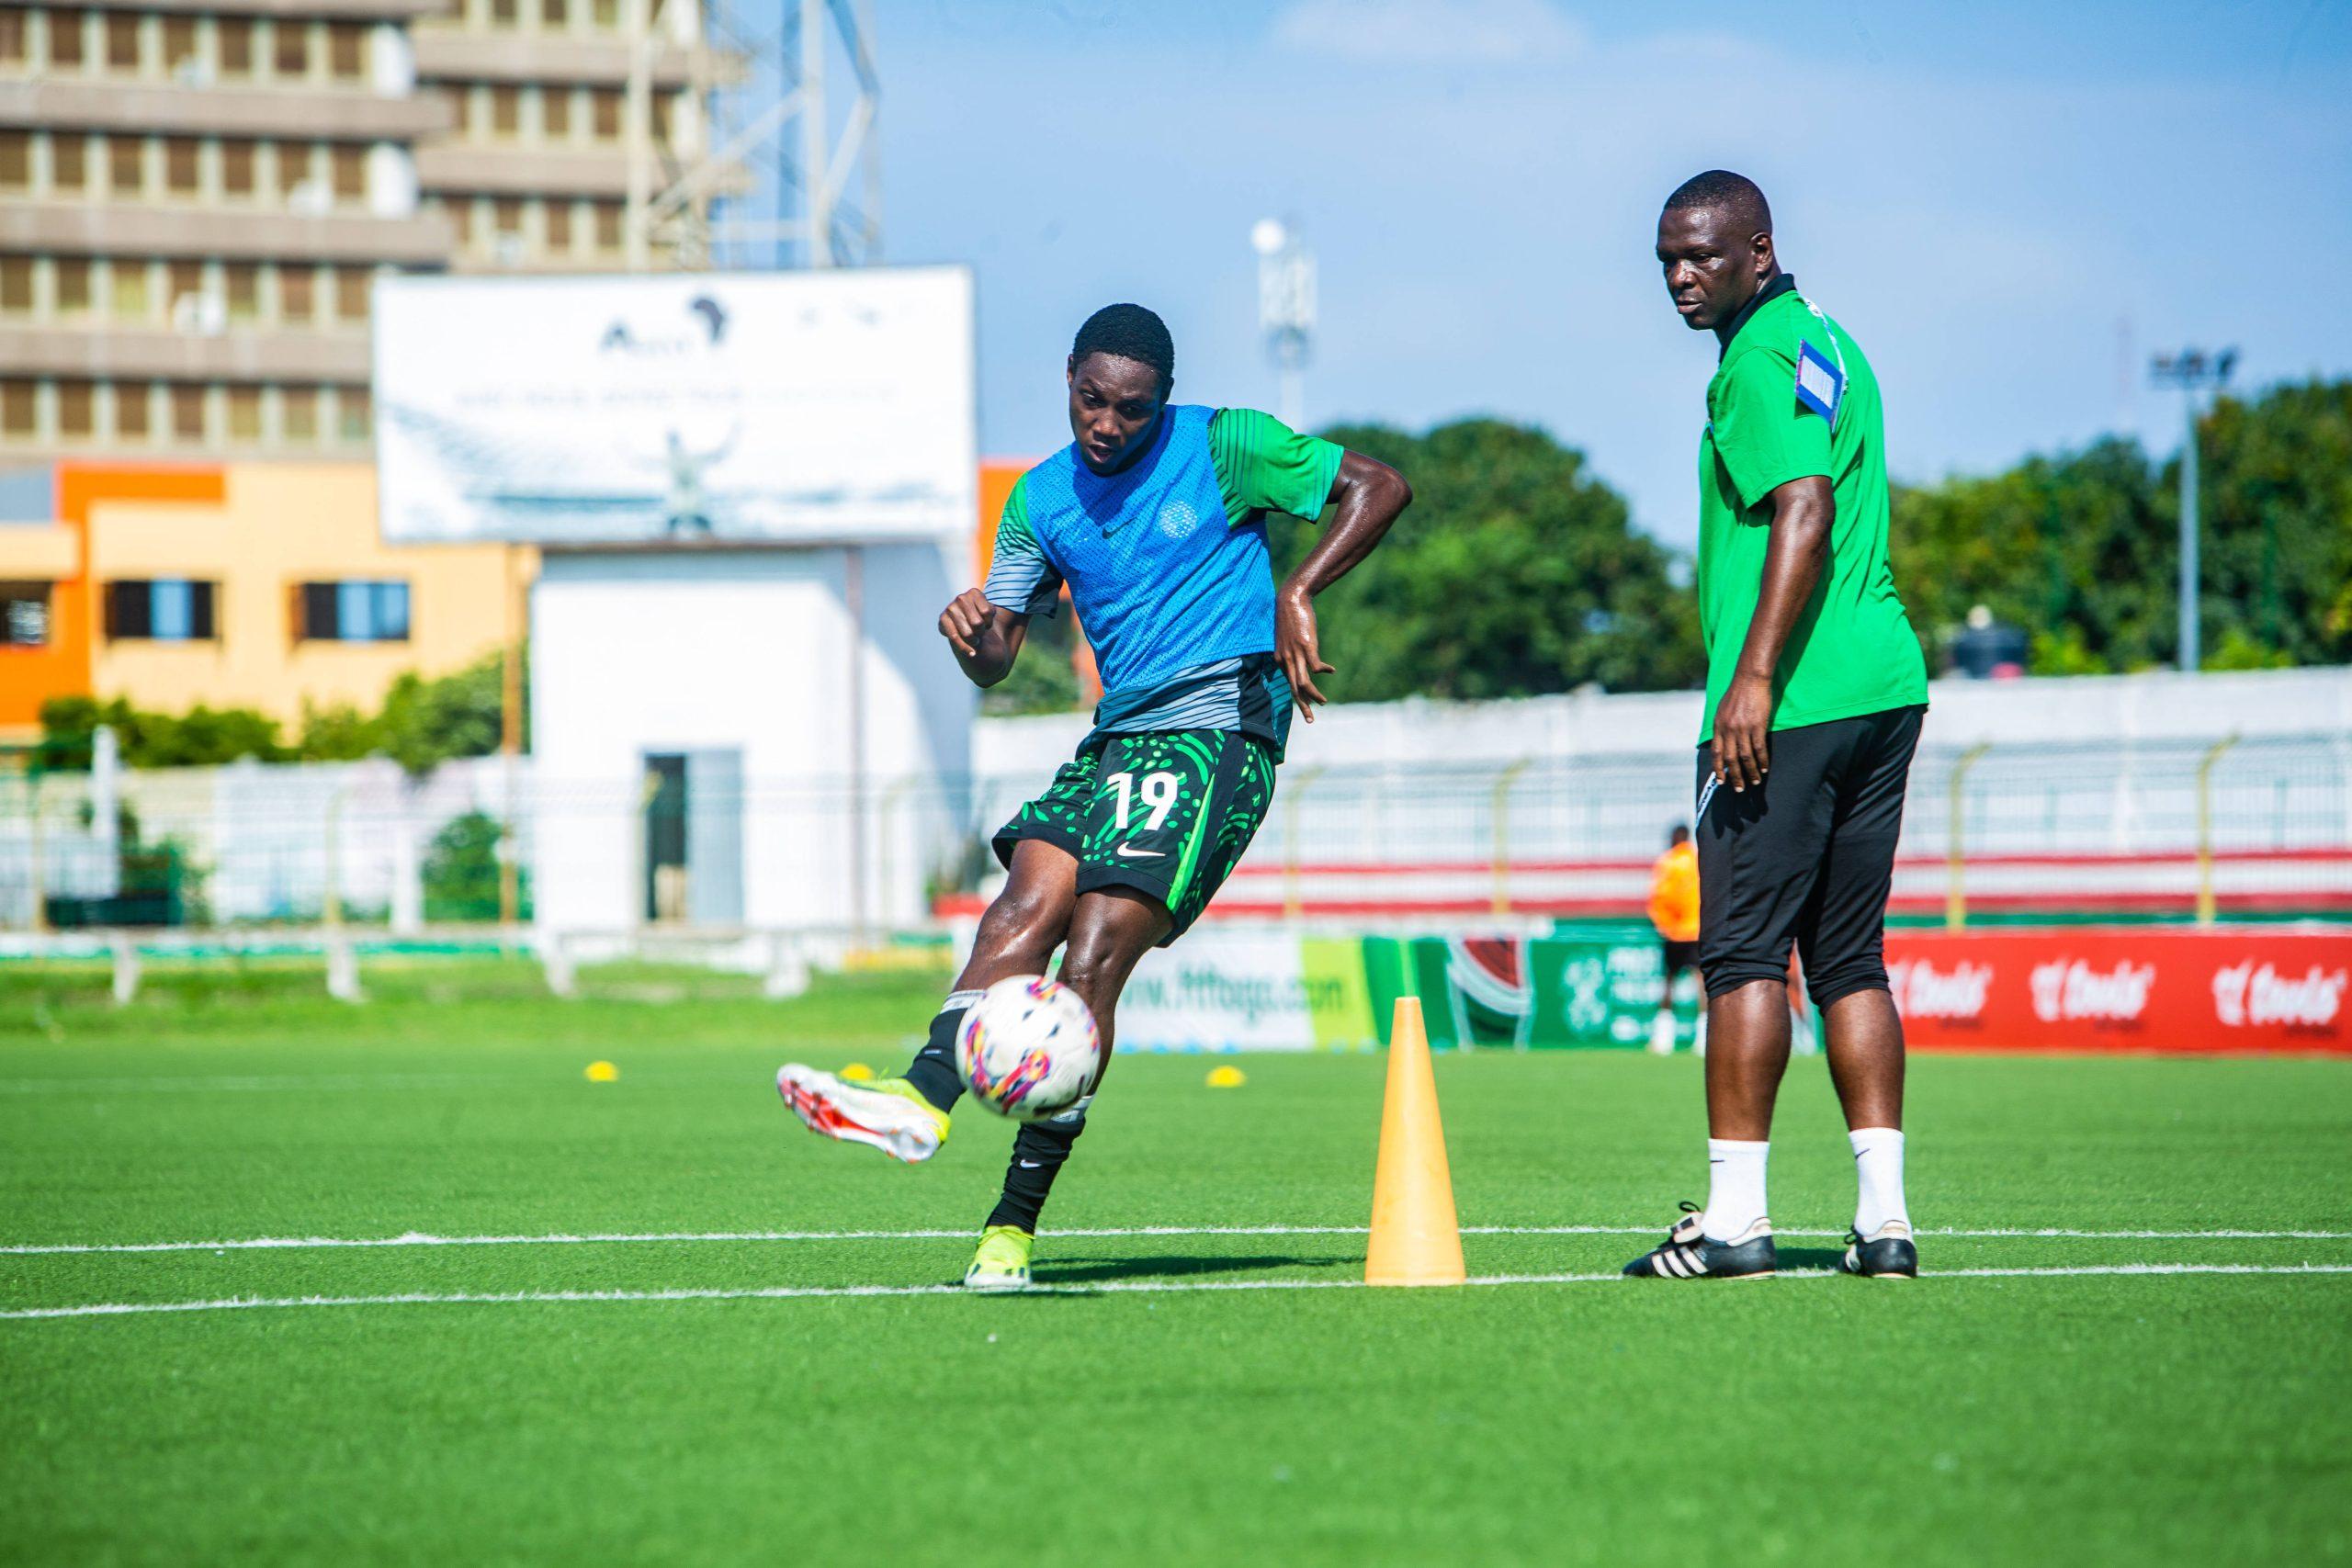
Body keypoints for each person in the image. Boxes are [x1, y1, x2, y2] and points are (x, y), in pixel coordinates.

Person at [775, 303, 1413, 1291]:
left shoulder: (1227, 444)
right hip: (1117, 737)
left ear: (1162, 399)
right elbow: (999, 658)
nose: (1107, 425)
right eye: (1091, 401)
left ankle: (1011, 1231)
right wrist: (974, 637)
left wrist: (1301, 587)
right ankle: (919, 1097)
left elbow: (1377, 486)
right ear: (1068, 376)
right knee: (1020, 905)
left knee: (1096, 954)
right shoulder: (1038, 500)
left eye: (1131, 409)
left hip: (1218, 731)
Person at [1623, 172, 1929, 1282]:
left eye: (1702, 254)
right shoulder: (1822, 341)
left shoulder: (1753, 362)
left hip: (1789, 701)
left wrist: (1750, 678)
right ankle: (1883, 1223)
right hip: (1883, 683)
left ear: (1760, 248)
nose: (1680, 277)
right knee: (1850, 959)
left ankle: (1737, 1222)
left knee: (1744, 955)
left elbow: (1802, 505)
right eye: (1666, 258)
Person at [1645, 823, 1700, 1056]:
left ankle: (1664, 1039)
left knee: (1669, 980)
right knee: (1702, 981)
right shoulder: (1698, 860)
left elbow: (1662, 896)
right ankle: (1704, 1037)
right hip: (1698, 929)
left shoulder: (1669, 862)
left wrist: (1664, 924)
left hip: (1676, 932)